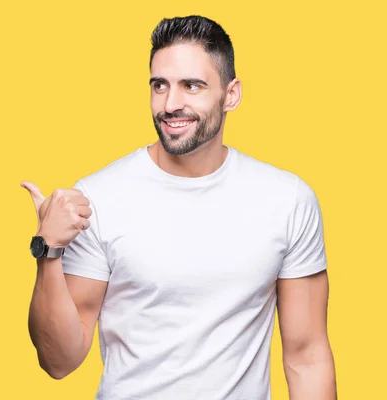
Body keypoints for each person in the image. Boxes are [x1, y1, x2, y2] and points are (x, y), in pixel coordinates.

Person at [22, 15, 337, 400]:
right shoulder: (99, 197)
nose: (171, 104)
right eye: (160, 86)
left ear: (231, 94)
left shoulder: (287, 200)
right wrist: (48, 251)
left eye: (192, 85)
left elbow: (307, 357)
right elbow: (59, 361)